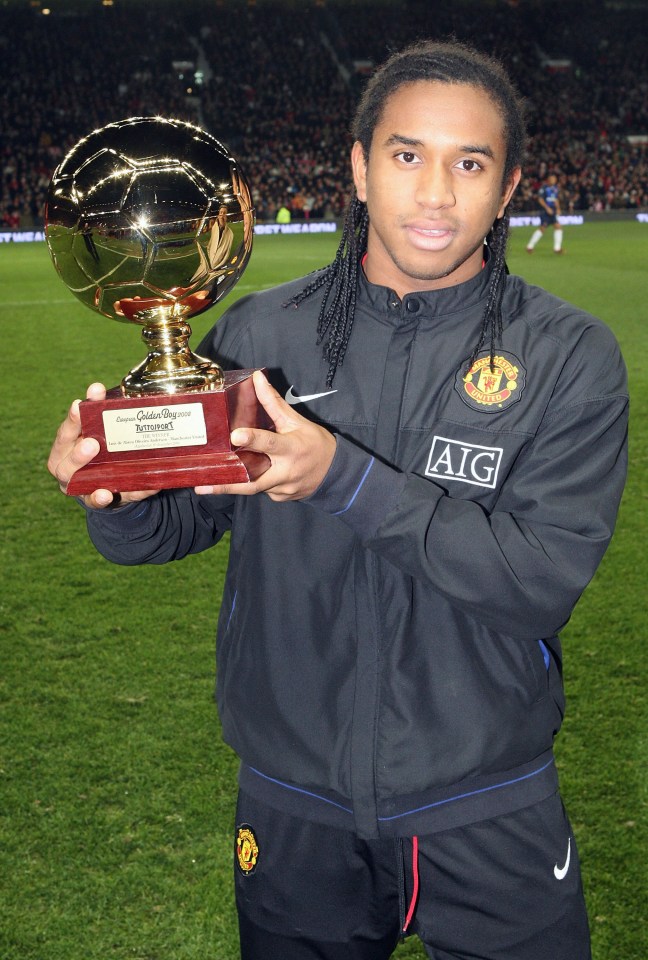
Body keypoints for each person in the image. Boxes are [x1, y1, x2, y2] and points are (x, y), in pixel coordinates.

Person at [49, 40, 628, 960]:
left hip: (489, 806)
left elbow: (537, 582)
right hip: (293, 807)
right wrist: (117, 500)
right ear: (358, 169)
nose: (436, 193)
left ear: (509, 186)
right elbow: (181, 522)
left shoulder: (569, 358)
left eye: (468, 163)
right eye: (406, 155)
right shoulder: (262, 331)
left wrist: (342, 478)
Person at [526, 173, 564, 253]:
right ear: (548, 180)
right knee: (542, 228)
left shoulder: (555, 188)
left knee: (558, 226)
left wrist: (558, 208)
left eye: (555, 179)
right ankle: (530, 246)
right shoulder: (543, 188)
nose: (554, 180)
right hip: (545, 211)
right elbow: (540, 199)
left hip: (552, 210)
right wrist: (547, 208)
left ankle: (557, 249)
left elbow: (555, 199)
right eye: (552, 179)